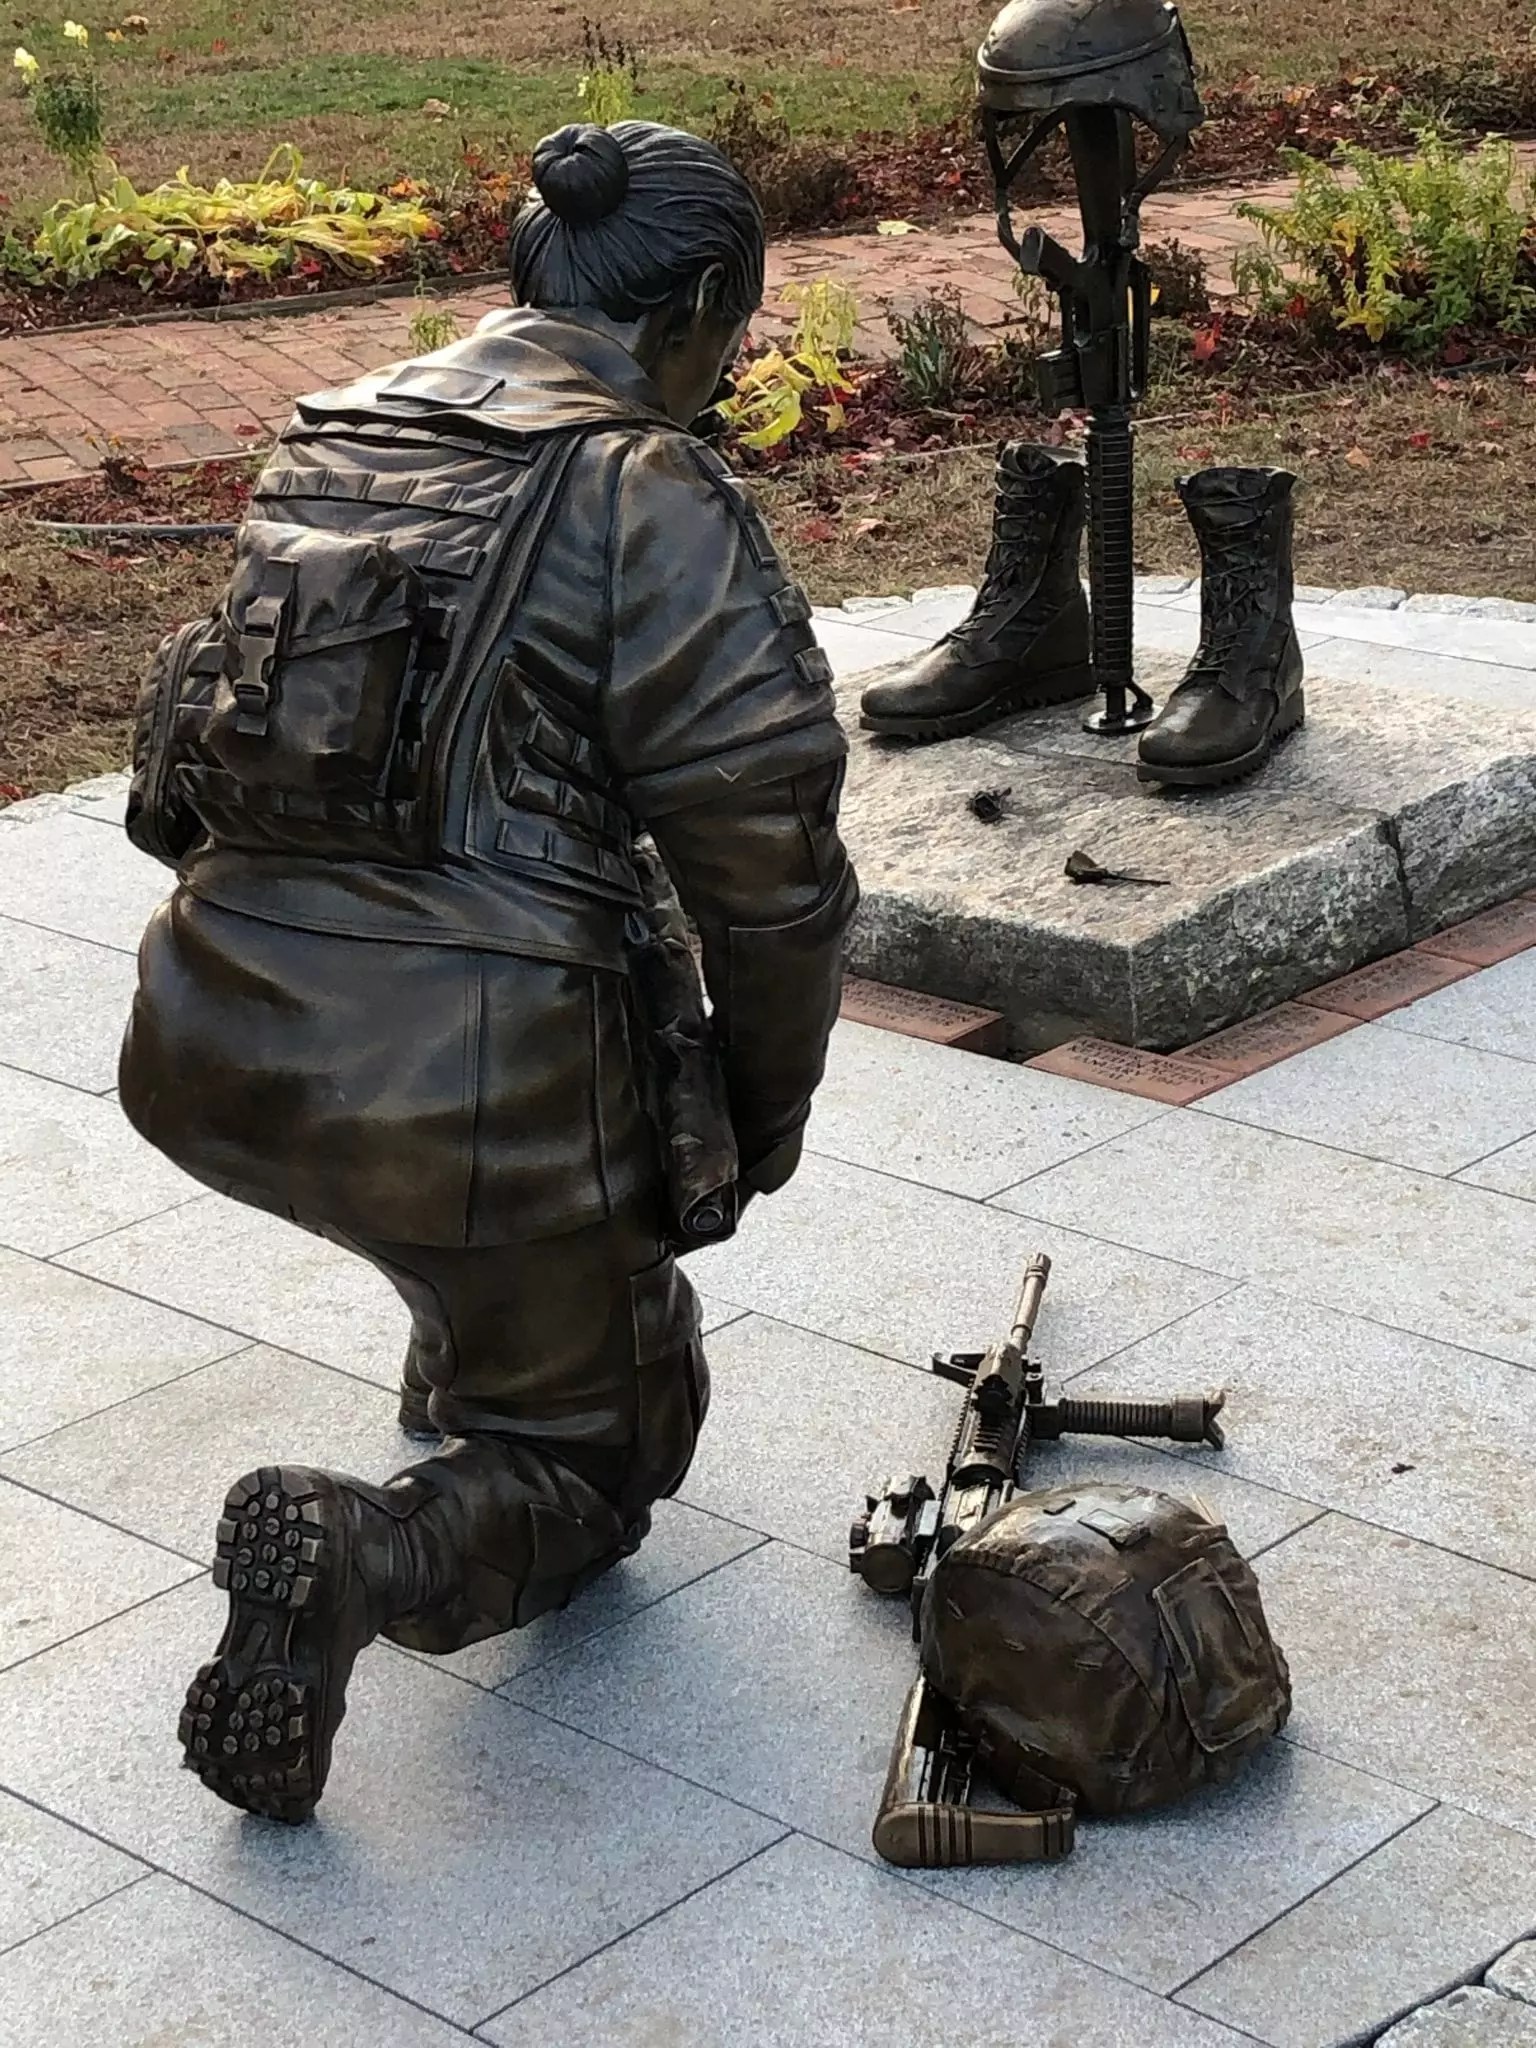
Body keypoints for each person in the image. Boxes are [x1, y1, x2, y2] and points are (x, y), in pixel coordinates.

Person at [119, 120, 857, 1822]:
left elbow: (203, 751)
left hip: (219, 1034)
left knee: (526, 1278)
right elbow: (771, 882)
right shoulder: (639, 484)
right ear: (706, 304)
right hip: (476, 1081)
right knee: (606, 1453)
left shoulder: (342, 423)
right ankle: (377, 1547)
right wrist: (757, 1110)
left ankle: (483, 1345)